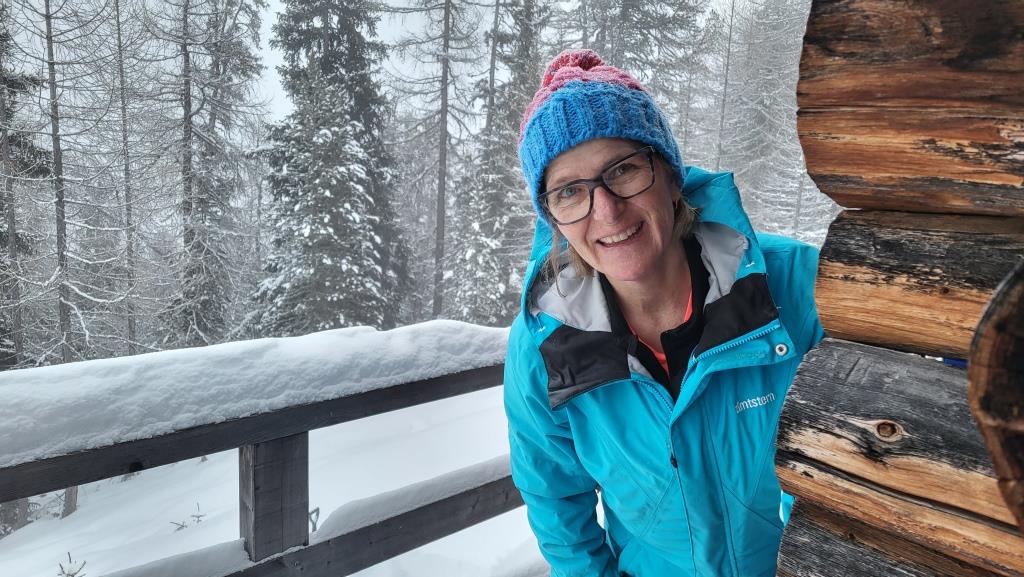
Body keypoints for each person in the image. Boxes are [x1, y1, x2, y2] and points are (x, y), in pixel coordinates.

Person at [504, 49, 823, 577]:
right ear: (553, 219)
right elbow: (554, 496)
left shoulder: (793, 284)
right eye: (570, 192)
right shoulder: (544, 345)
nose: (607, 210)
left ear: (671, 177)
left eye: (623, 170)